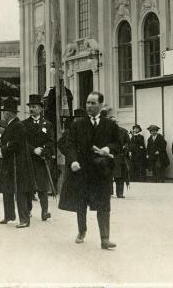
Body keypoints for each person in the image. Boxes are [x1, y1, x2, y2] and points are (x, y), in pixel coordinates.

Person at [59, 91, 121, 250]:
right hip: (83, 171)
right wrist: (72, 160)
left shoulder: (110, 125)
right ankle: (82, 230)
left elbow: (118, 143)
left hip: (102, 171)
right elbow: (69, 144)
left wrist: (108, 148)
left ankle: (105, 239)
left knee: (104, 205)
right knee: (81, 203)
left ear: (101, 105)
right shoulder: (77, 125)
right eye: (87, 103)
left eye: (93, 103)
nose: (89, 106)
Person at [0, 98, 36, 229]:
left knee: (20, 190)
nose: (3, 114)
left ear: (9, 113)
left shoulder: (18, 125)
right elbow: (9, 142)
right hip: (11, 161)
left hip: (18, 162)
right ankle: (9, 215)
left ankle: (24, 219)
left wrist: (2, 149)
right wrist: (4, 146)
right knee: (7, 188)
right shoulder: (12, 125)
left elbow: (15, 143)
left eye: (5, 112)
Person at [21, 94, 54, 221]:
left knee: (42, 187)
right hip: (28, 159)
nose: (31, 109)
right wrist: (33, 149)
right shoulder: (24, 124)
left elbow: (51, 142)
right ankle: (28, 210)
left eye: (34, 107)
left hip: (41, 160)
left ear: (40, 109)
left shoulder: (47, 124)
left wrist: (43, 150)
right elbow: (23, 142)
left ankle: (44, 212)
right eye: (30, 107)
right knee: (29, 186)